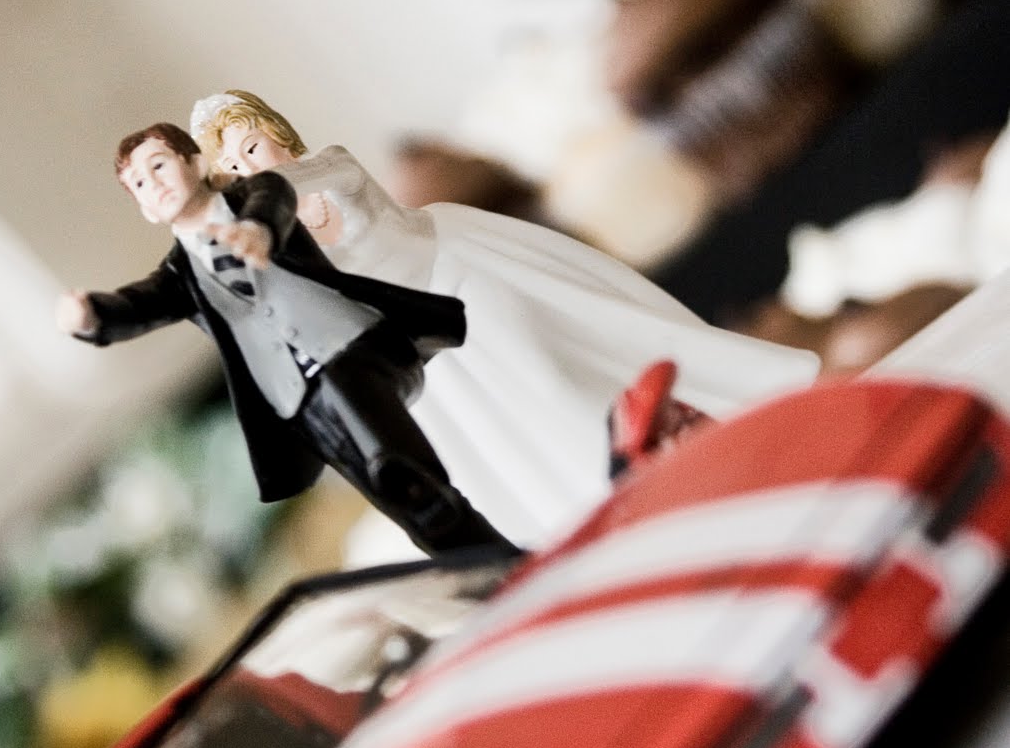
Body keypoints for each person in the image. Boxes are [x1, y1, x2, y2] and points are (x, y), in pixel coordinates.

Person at [191, 92, 820, 545]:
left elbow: (308, 186)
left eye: (254, 147)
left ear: (280, 135)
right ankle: (617, 530)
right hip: (419, 357)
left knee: (562, 390)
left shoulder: (330, 171)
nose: (251, 168)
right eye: (235, 169)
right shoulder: (278, 248)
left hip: (463, 289)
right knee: (511, 462)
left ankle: (689, 468)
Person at [56, 123, 515, 559]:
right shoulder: (179, 276)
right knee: (398, 502)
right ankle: (480, 568)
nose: (154, 184)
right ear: (145, 209)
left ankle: (491, 555)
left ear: (195, 163)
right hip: (298, 401)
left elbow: (272, 201)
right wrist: (92, 315)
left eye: (159, 165)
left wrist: (257, 231)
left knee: (402, 472)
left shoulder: (255, 196)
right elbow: (138, 304)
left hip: (349, 354)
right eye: (139, 183)